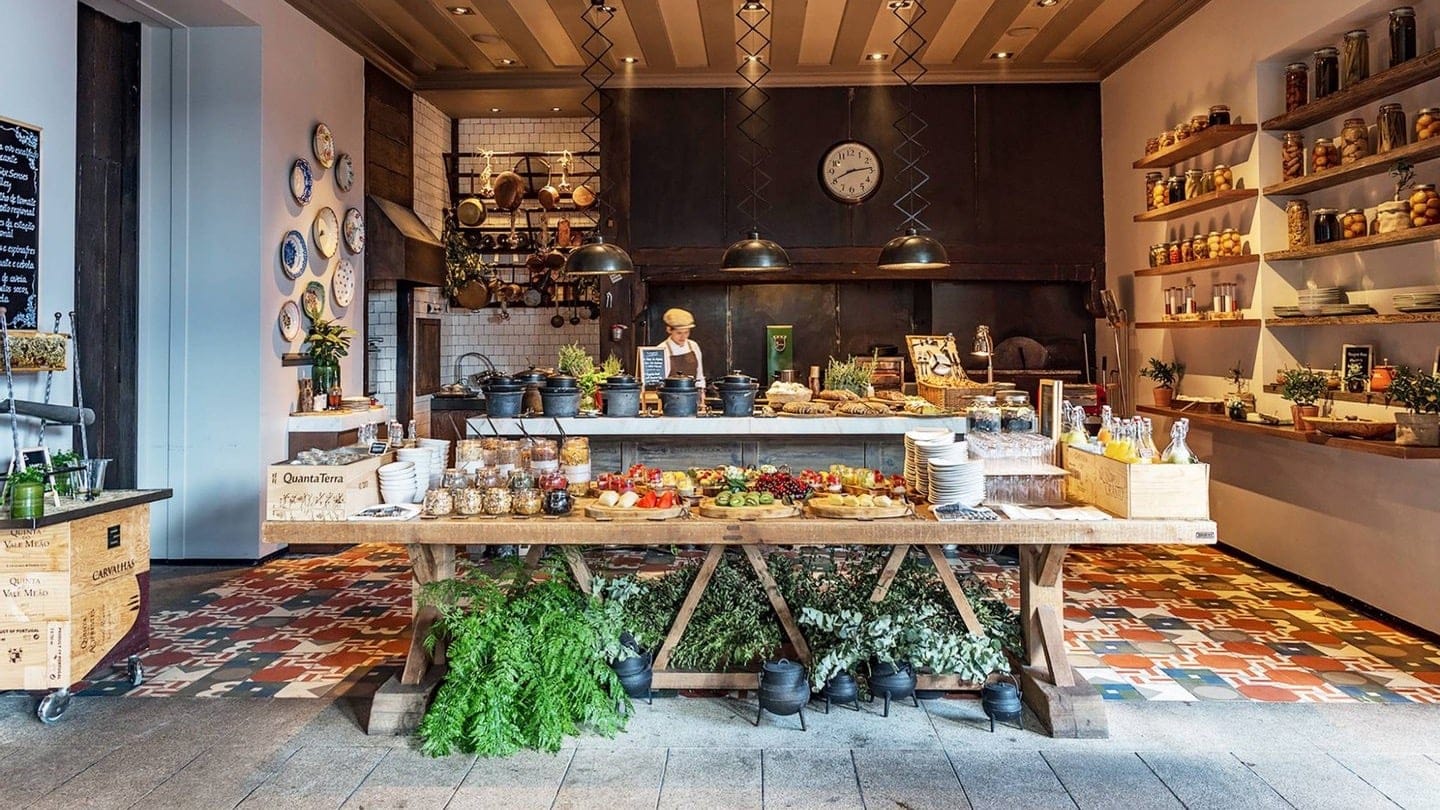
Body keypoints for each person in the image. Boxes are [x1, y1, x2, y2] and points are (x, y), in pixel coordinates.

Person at [658, 307, 706, 388]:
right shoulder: (662, 349)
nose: (683, 337)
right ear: (669, 330)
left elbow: (699, 375)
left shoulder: (693, 346)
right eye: (679, 333)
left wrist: (701, 390)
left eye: (686, 332)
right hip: (671, 394)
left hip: (692, 393)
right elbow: (660, 382)